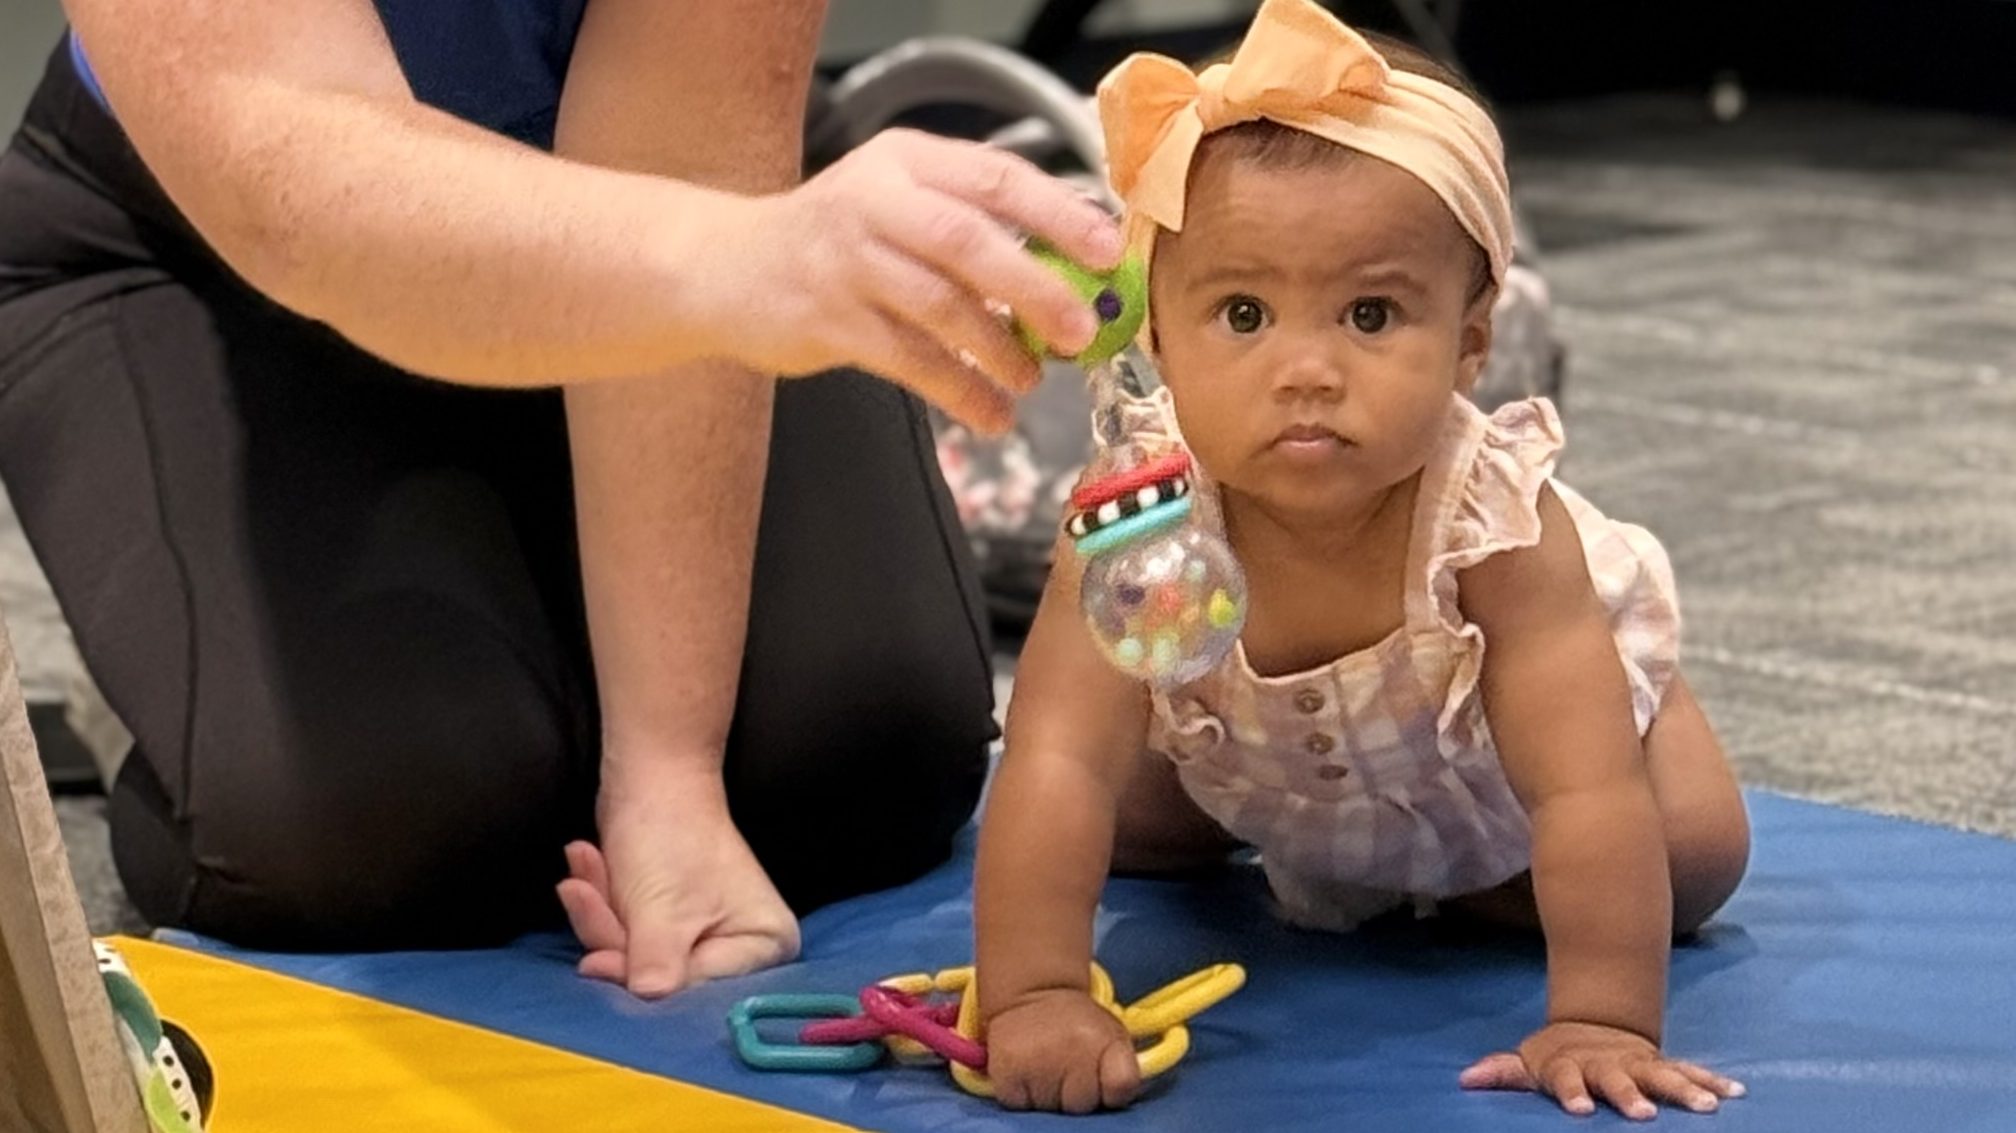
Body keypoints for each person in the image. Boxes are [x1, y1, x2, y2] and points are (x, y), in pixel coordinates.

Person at [0, 0, 1124, 997]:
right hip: (209, 257)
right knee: (377, 827)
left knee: (861, 763)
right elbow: (290, 172)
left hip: (671, 196)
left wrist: (671, 768)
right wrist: (746, 267)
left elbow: (688, 150)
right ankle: (152, 657)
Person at [972, 0, 1753, 1118]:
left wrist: (1599, 1015)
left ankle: (1485, 870)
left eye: (1372, 315)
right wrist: (1037, 990)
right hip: (1258, 759)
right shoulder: (1138, 513)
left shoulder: (1496, 530)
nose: (1306, 370)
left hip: (1496, 778)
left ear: (1470, 343)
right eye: (1243, 311)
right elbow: (1056, 755)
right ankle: (1294, 830)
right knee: (1117, 804)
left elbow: (1580, 789)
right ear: (1156, 334)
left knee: (1689, 852)